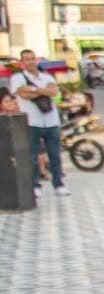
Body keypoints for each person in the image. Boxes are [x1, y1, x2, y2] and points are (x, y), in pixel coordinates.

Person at [11, 49, 67, 197]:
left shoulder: (47, 76)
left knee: (55, 155)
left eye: (32, 58)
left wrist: (34, 90)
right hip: (31, 121)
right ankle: (36, 185)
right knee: (33, 156)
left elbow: (53, 92)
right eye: (27, 59)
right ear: (22, 62)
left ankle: (59, 184)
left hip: (51, 120)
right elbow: (23, 93)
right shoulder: (17, 78)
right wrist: (42, 90)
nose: (30, 61)